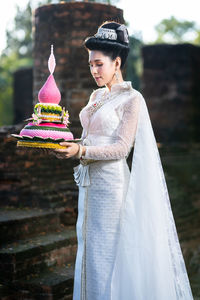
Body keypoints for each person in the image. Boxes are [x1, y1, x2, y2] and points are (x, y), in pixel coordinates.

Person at [53, 21, 194, 300]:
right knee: (90, 250)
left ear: (117, 62)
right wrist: (72, 145)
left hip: (112, 188)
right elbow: (93, 139)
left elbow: (120, 149)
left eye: (99, 64)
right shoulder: (96, 96)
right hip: (90, 186)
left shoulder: (132, 99)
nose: (93, 70)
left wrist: (81, 153)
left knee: (109, 253)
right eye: (90, 64)